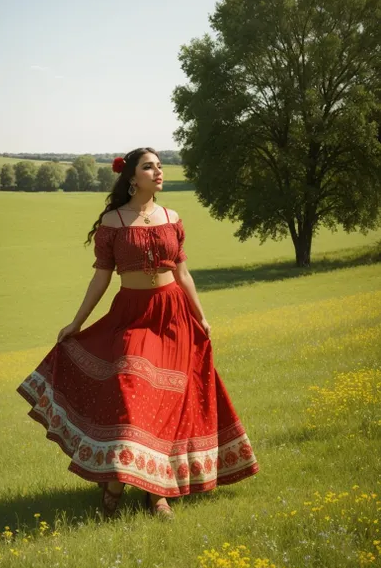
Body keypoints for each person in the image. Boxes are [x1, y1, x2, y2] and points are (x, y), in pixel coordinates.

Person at [16, 147, 259, 520]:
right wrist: (77, 322)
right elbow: (101, 277)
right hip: (130, 315)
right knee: (132, 388)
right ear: (132, 177)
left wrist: (202, 316)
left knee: (166, 404)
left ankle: (156, 494)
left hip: (173, 316)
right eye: (150, 167)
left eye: (160, 166)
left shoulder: (172, 217)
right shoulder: (112, 222)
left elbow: (182, 273)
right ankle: (115, 482)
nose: (158, 171)